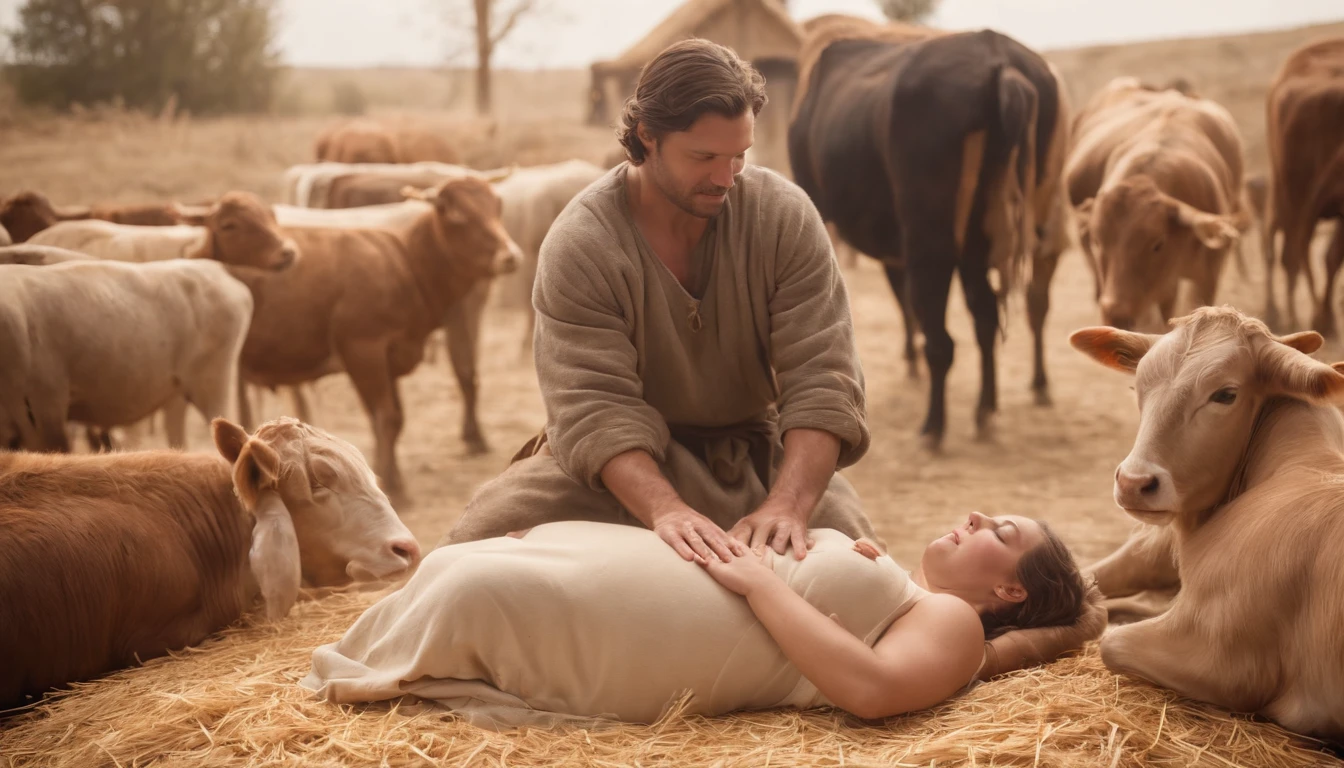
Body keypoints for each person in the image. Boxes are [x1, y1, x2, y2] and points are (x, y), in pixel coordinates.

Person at [441, 38, 878, 561]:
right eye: (704, 157)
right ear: (646, 136)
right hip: (618, 464)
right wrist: (667, 511)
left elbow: (823, 378)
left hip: (758, 458)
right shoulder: (582, 242)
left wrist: (788, 505)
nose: (725, 178)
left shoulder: (784, 216)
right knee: (469, 551)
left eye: (738, 157)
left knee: (857, 563)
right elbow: (594, 408)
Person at [301, 514, 1104, 727]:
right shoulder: (907, 592)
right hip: (652, 581)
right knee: (463, 568)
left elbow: (873, 688)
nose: (975, 516)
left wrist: (763, 586)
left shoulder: (953, 627)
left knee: (469, 589)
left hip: (666, 632)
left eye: (1001, 534)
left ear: (1010, 598)